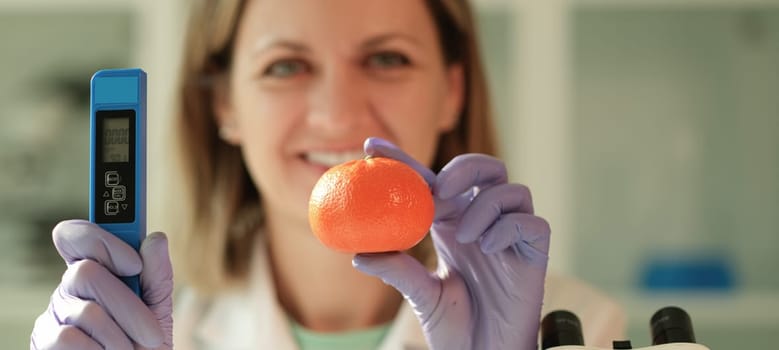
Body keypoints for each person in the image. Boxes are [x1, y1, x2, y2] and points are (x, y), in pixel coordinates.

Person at [31, 0, 626, 349]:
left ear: (453, 90)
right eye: (285, 66)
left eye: (387, 58)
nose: (339, 114)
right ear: (225, 105)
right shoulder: (140, 335)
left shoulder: (577, 332)